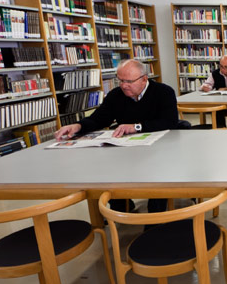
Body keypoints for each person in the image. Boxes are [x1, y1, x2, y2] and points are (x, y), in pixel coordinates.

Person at [54, 59, 178, 213]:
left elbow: (170, 122)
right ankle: (121, 208)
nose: (124, 85)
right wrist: (78, 126)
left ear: (144, 79)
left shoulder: (164, 92)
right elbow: (99, 119)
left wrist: (136, 127)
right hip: (127, 149)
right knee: (104, 166)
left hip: (160, 147)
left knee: (158, 172)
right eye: (120, 80)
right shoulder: (116, 95)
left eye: (129, 81)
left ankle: (155, 218)